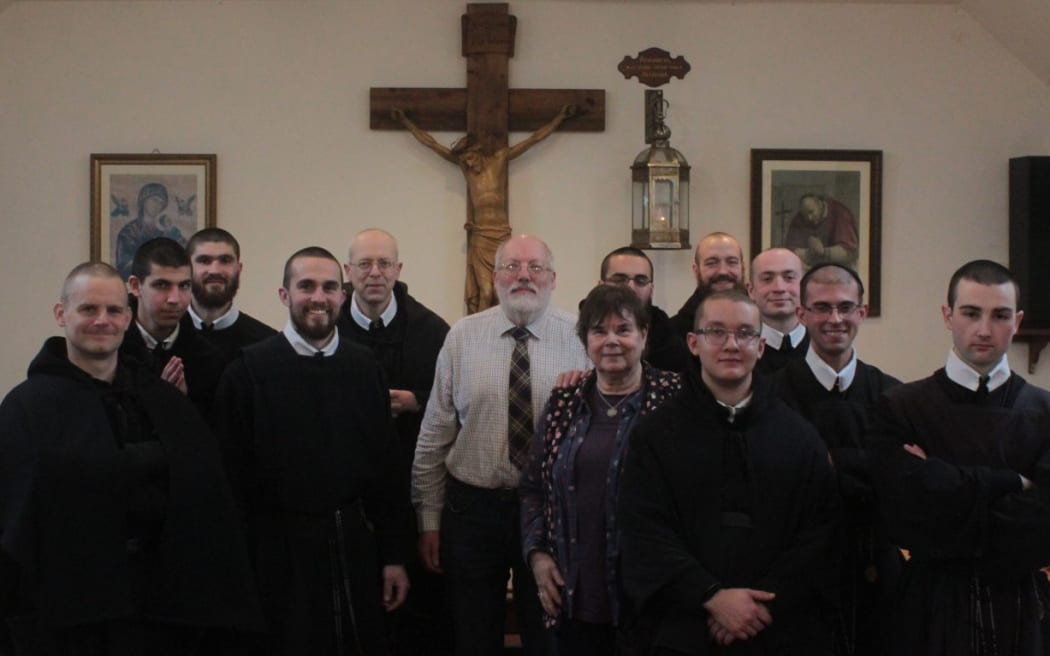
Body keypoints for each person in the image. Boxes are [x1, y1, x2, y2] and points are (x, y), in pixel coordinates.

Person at [0, 262, 262, 655]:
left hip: (159, 610)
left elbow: (204, 490)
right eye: (89, 309)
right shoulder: (26, 407)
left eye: (113, 310)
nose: (102, 320)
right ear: (61, 314)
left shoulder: (162, 399)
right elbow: (20, 518)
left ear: (128, 316)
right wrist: (141, 462)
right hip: (68, 617)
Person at [213, 246, 413, 656]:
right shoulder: (247, 372)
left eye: (328, 287)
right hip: (275, 555)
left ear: (342, 294)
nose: (318, 297)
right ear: (284, 295)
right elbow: (229, 483)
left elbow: (387, 471)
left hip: (353, 548)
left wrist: (394, 556)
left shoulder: (364, 367)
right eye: (306, 286)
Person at [619, 290, 839, 655]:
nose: (731, 345)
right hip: (682, 628)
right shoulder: (655, 435)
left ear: (761, 345)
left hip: (779, 629)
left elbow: (820, 534)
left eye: (745, 333)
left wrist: (760, 605)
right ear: (693, 343)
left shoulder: (799, 437)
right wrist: (711, 597)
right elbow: (644, 530)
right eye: (716, 332)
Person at [412, 235, 590, 656]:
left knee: (547, 634)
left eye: (535, 268)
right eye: (512, 267)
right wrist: (429, 519)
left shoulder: (581, 338)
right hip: (472, 510)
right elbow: (435, 432)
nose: (523, 276)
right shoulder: (461, 337)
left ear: (553, 278)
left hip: (550, 511)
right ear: (495, 278)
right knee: (472, 634)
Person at [869, 259, 1050, 656]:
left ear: (1017, 321)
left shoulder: (1045, 412)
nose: (984, 330)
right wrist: (1010, 486)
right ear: (948, 316)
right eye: (971, 313)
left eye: (1000, 315)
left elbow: (1042, 528)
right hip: (930, 606)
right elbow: (903, 517)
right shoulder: (900, 407)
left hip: (1020, 606)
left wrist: (941, 480)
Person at [520, 284, 681, 655]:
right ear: (585, 340)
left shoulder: (675, 399)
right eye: (599, 330)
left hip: (652, 599)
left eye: (623, 330)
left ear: (643, 335)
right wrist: (538, 555)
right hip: (574, 596)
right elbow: (533, 488)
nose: (611, 340)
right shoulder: (564, 402)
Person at [773, 263, 901, 656]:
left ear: (861, 313)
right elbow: (783, 482)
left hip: (877, 572)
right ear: (802, 314)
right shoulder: (772, 396)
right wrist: (868, 464)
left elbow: (898, 480)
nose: (835, 319)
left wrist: (831, 461)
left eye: (846, 308)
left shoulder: (892, 396)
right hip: (801, 576)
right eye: (822, 307)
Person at [337, 228, 452, 656]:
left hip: (412, 485)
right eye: (364, 264)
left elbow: (455, 402)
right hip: (348, 490)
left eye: (384, 264)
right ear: (348, 272)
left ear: (399, 270)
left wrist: (416, 401)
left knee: (421, 618)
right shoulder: (326, 325)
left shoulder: (431, 330)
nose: (374, 273)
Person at [392, 106, 577, 314]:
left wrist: (560, 117)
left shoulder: (498, 161)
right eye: (464, 160)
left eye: (470, 157)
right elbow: (432, 144)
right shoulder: (467, 171)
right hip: (480, 235)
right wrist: (406, 123)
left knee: (500, 293)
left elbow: (533, 140)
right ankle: (479, 335)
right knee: (485, 292)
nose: (469, 163)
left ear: (478, 151)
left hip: (500, 235)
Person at [120, 237, 225, 420]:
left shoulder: (210, 360)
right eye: (162, 285)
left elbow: (212, 439)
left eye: (184, 286)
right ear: (136, 286)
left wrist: (180, 404)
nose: (175, 299)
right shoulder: (111, 349)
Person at [183, 228, 276, 364]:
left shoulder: (268, 343)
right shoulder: (165, 337)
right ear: (187, 268)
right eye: (204, 260)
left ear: (239, 269)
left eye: (225, 260)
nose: (215, 270)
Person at [598, 246, 690, 372]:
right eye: (619, 279)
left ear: (651, 290)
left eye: (640, 281)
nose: (630, 287)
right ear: (600, 286)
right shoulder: (575, 336)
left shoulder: (672, 346)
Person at [670, 232, 746, 339]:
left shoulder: (762, 323)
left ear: (742, 268)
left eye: (731, 262)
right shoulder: (673, 332)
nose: (723, 271)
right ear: (696, 271)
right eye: (711, 263)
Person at [748, 247, 808, 374]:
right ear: (751, 290)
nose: (779, 288)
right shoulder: (741, 351)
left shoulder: (823, 348)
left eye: (789, 277)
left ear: (804, 287)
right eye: (767, 279)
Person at [115, 182, 186, 280]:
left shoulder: (168, 230)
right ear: (143, 201)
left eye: (161, 203)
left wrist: (171, 231)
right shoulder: (129, 231)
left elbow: (186, 254)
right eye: (154, 200)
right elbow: (123, 264)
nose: (158, 205)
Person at [784, 194, 859, 267]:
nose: (809, 218)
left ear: (820, 205)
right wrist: (810, 251)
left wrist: (823, 252)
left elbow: (849, 253)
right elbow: (790, 253)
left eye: (811, 212)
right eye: (805, 216)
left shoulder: (841, 213)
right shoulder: (799, 218)